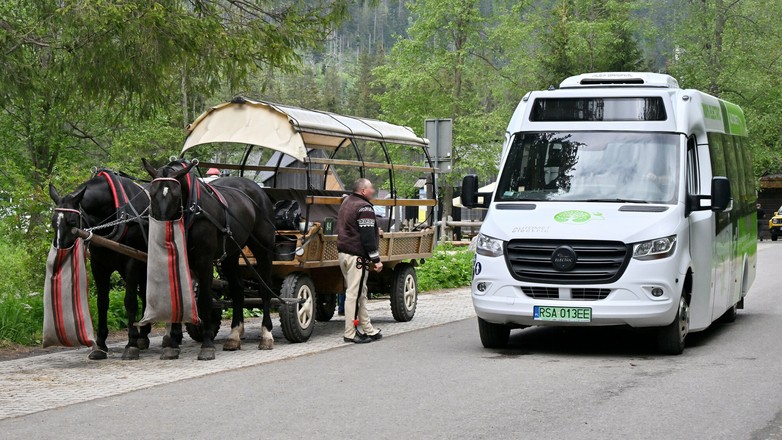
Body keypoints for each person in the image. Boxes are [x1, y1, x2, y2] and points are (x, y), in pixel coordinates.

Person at [336, 178, 383, 344]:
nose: (373, 190)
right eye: (371, 187)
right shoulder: (365, 208)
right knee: (354, 295)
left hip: (344, 253)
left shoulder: (347, 202)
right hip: (357, 255)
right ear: (363, 190)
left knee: (359, 293)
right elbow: (368, 236)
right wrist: (376, 259)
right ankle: (350, 332)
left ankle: (369, 329)